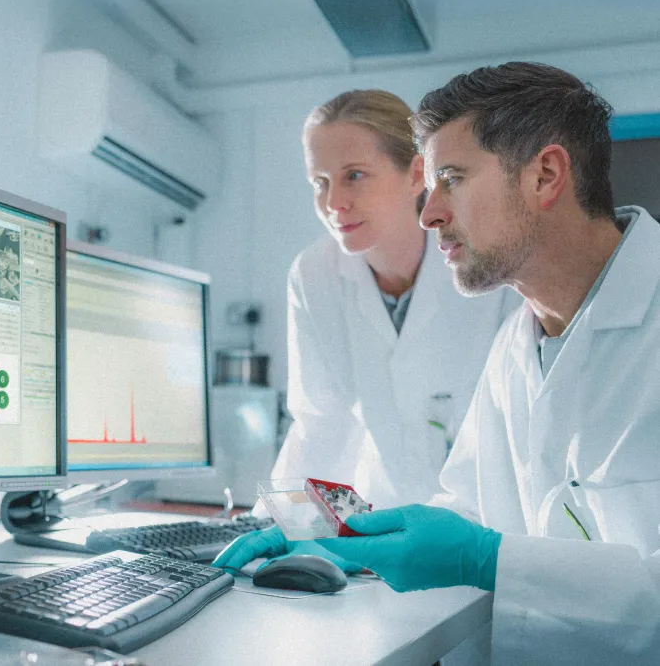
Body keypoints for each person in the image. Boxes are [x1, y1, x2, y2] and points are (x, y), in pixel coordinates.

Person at [220, 62, 660, 664]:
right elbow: (467, 508)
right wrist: (339, 540)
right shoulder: (517, 344)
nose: (429, 214)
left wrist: (485, 557)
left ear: (545, 175)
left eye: (451, 178)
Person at [237, 90, 516, 573]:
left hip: (487, 533)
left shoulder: (484, 267)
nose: (333, 203)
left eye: (354, 176)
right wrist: (291, 530)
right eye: (319, 182)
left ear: (415, 174)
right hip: (383, 523)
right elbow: (321, 425)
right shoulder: (314, 274)